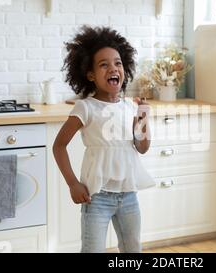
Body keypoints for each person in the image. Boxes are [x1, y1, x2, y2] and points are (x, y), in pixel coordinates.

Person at [53, 25, 155, 253]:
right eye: (104, 64)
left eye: (118, 63)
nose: (113, 68)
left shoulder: (130, 107)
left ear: (125, 68)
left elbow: (142, 147)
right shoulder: (86, 108)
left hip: (128, 195)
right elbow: (59, 146)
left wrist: (143, 116)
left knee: (132, 250)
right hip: (96, 198)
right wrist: (72, 183)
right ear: (90, 75)